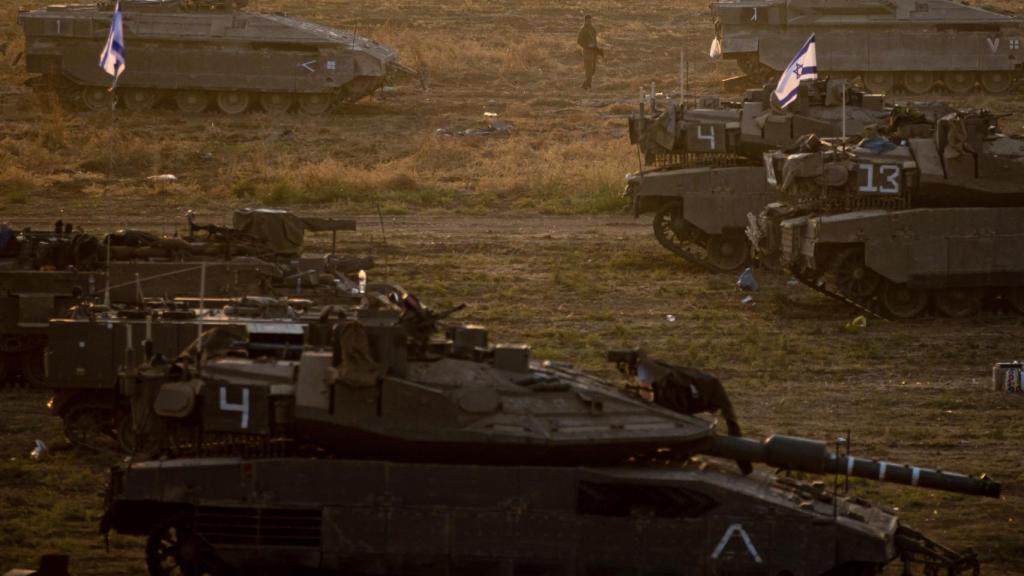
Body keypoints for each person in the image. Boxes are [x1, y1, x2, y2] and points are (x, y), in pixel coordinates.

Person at [576, 15, 603, 89]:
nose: (589, 22)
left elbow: (594, 40)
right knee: (588, 70)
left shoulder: (593, 29)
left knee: (593, 70)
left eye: (590, 20)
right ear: (585, 21)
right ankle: (588, 85)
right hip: (587, 52)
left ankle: (585, 84)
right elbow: (579, 41)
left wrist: (597, 50)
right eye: (588, 21)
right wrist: (587, 45)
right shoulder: (582, 30)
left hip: (594, 52)